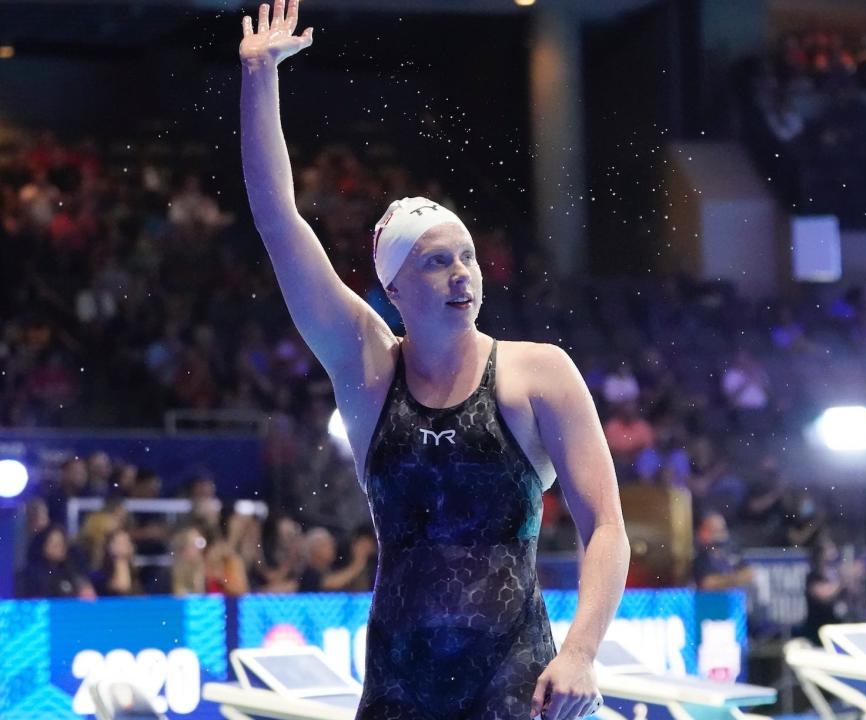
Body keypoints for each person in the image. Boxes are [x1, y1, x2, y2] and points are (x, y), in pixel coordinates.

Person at [238, 3, 630, 719]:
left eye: (468, 257)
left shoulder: (538, 373)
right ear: (392, 287)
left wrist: (581, 652)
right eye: (436, 262)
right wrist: (260, 73)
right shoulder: (368, 371)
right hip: (398, 690)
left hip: (519, 681)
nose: (462, 275)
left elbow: (605, 524)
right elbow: (276, 218)